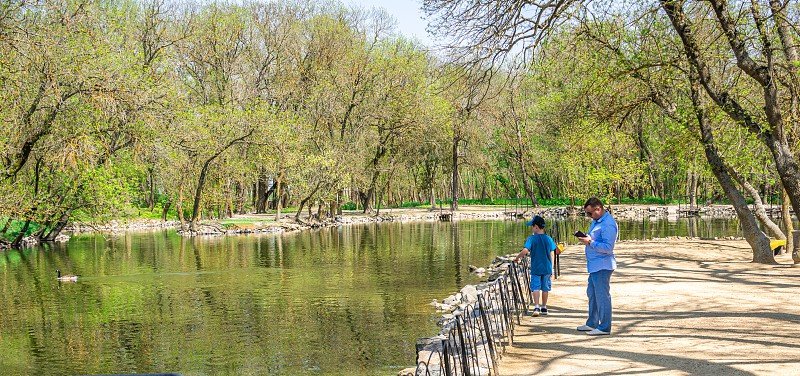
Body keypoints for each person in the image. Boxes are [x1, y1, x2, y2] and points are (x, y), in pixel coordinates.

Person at [576, 197, 618, 335]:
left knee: (602, 296)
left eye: (590, 213)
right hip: (594, 265)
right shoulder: (597, 221)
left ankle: (605, 327)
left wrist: (590, 242)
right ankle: (592, 323)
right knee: (592, 294)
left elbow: (608, 247)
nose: (589, 216)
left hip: (602, 265)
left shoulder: (608, 224)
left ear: (598, 209)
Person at [514, 215, 556, 317]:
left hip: (536, 268)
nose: (531, 228)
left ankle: (536, 306)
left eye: (532, 226)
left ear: (536, 227)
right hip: (547, 268)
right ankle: (544, 307)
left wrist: (517, 257)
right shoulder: (548, 239)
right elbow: (552, 253)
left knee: (535, 287)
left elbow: (525, 250)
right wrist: (552, 267)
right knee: (545, 288)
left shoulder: (531, 239)